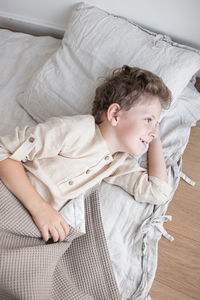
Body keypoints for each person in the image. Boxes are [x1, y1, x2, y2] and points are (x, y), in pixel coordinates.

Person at [0, 65, 172, 243]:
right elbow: (3, 151)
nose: (153, 131)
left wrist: (156, 140)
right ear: (114, 114)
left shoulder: (117, 163)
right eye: (148, 120)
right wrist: (40, 208)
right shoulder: (76, 130)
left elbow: (157, 193)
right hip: (10, 196)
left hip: (29, 227)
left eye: (156, 124)